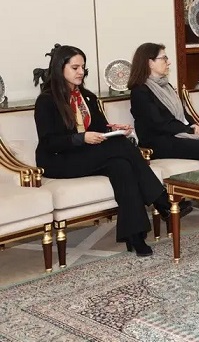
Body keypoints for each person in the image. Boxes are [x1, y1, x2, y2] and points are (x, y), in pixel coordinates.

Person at [34, 45, 186, 257]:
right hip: (58, 160)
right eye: (75, 67)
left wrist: (113, 129)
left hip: (86, 154)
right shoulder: (47, 100)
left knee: (121, 166)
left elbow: (99, 128)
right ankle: (161, 199)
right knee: (121, 147)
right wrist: (81, 138)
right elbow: (49, 141)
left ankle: (135, 236)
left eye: (83, 67)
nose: (81, 72)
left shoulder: (87, 97)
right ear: (60, 68)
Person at [128, 42, 199, 229]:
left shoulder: (166, 85)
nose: (168, 62)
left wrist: (194, 125)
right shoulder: (140, 91)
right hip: (158, 142)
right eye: (163, 58)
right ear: (149, 62)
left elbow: (181, 114)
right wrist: (190, 130)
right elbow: (159, 123)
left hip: (176, 134)